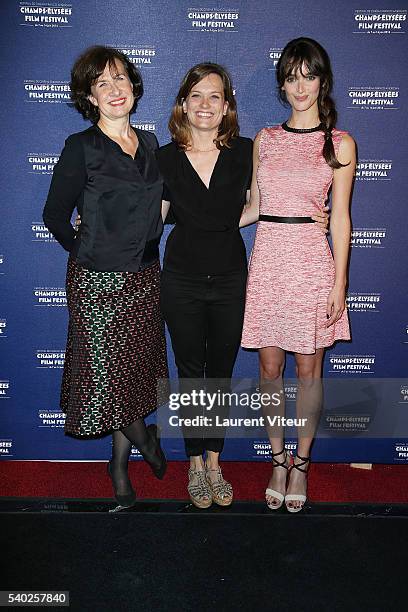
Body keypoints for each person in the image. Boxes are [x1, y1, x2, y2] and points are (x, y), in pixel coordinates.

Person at [156, 63, 329, 509]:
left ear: (228, 105)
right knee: (191, 372)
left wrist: (312, 216)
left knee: (221, 373)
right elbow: (150, 215)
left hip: (233, 278)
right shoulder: (164, 157)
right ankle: (196, 464)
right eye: (196, 95)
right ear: (183, 104)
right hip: (181, 278)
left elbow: (260, 205)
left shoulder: (245, 150)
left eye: (215, 96)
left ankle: (216, 462)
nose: (205, 105)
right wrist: (99, 220)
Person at [43, 46, 168, 509]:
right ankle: (147, 444)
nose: (115, 90)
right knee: (103, 379)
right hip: (95, 283)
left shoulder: (153, 144)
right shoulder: (81, 147)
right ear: (91, 97)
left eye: (120, 79)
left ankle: (119, 464)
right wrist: (88, 250)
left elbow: (173, 200)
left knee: (132, 374)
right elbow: (55, 214)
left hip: (144, 279)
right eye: (102, 83)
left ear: (133, 86)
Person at [241, 38, 355, 513]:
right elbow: (251, 208)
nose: (300, 86)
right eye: (291, 76)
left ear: (322, 81)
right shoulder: (265, 140)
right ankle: (276, 458)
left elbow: (342, 217)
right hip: (268, 259)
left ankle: (301, 464)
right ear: (282, 84)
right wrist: (178, 216)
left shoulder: (340, 142)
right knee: (269, 369)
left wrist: (339, 283)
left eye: (308, 75)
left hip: (311, 261)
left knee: (309, 372)